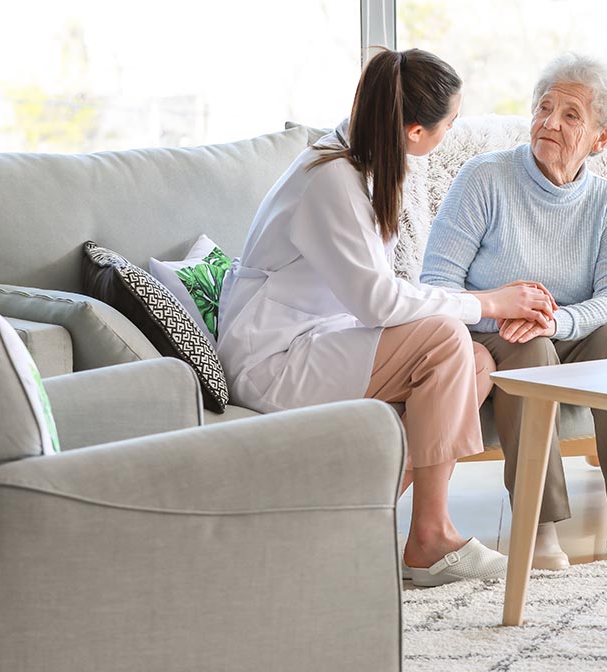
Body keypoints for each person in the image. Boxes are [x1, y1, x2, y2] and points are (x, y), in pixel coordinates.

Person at [217, 48, 557, 587]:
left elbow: (378, 296)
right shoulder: (329, 181)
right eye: (449, 123)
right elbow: (377, 302)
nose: (451, 132)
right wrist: (488, 302)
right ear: (416, 132)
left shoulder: (355, 166)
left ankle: (349, 517)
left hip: (316, 343)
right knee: (449, 340)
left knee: (475, 363)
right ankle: (430, 538)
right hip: (273, 362)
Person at [421, 52, 607, 569]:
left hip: (561, 330)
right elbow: (437, 286)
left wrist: (556, 320)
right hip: (487, 332)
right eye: (543, 107)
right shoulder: (484, 179)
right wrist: (503, 315)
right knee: (530, 350)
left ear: (601, 138)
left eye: (571, 115)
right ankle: (539, 526)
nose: (549, 122)